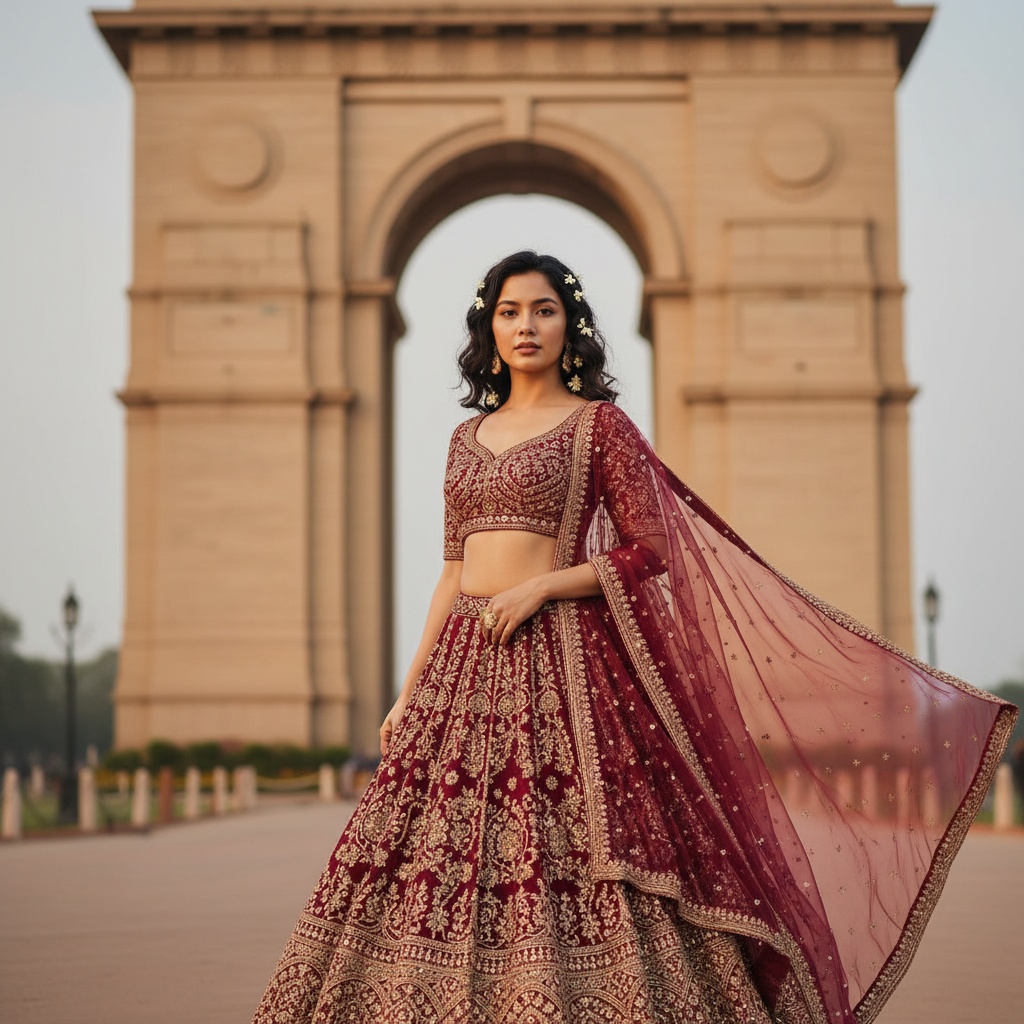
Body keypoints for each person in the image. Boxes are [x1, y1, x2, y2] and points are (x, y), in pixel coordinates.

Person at [252, 251, 1016, 1024]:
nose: (527, 326)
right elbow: (452, 570)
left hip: (562, 661)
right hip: (463, 663)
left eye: (544, 310)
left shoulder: (599, 425)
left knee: (571, 841)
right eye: (510, 311)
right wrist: (408, 691)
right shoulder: (464, 436)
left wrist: (546, 583)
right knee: (435, 849)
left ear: (570, 323)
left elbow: (649, 550)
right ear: (489, 325)